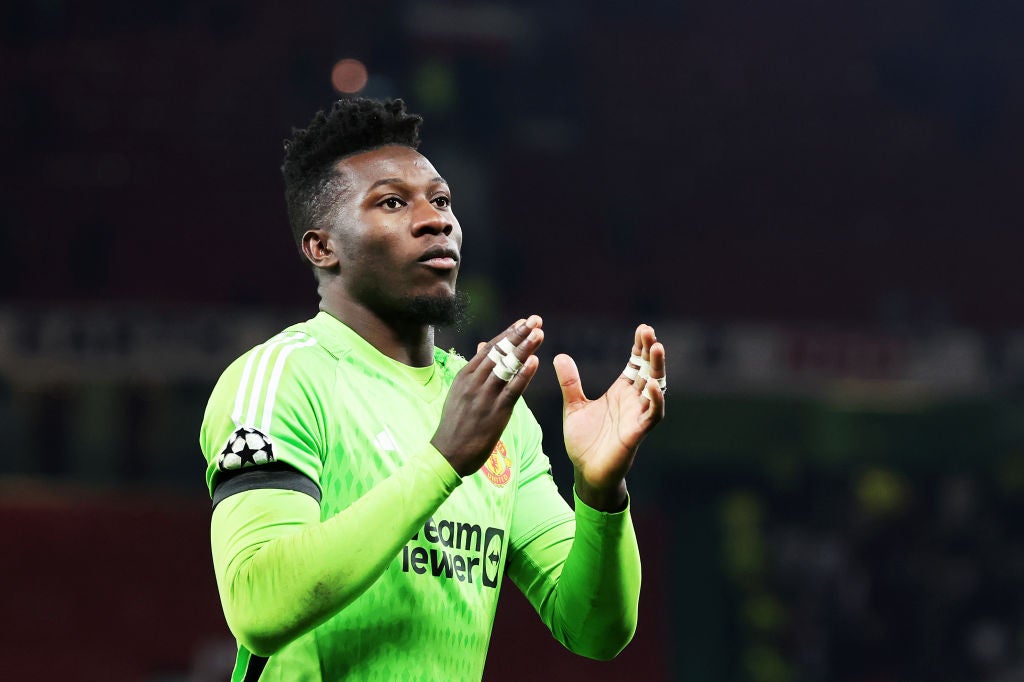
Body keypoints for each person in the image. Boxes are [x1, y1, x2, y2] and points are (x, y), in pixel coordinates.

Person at [199, 97, 667, 681]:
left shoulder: (494, 412)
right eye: (392, 203)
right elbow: (258, 606)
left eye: (441, 201)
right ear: (323, 247)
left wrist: (601, 494)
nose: (435, 219)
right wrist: (443, 459)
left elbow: (594, 631)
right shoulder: (282, 378)